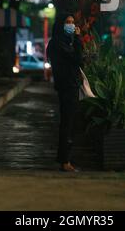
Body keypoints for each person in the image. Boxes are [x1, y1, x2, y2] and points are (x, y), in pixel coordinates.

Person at [46, 12, 84, 172]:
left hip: (70, 86)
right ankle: (65, 160)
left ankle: (65, 159)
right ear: (61, 25)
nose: (72, 25)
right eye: (68, 22)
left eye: (73, 22)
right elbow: (77, 59)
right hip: (67, 87)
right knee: (67, 124)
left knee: (69, 123)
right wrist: (78, 39)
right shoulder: (59, 43)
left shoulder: (62, 42)